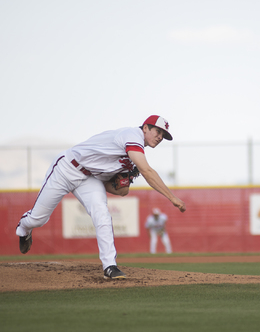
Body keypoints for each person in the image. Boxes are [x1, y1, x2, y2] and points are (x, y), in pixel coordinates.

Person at [15, 115, 186, 279]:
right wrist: (173, 198)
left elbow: (121, 192)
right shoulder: (132, 135)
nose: (159, 137)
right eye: (158, 131)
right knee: (38, 219)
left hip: (89, 178)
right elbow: (147, 171)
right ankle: (24, 228)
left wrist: (121, 185)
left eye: (163, 135)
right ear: (146, 128)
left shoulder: (132, 159)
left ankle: (109, 266)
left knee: (102, 214)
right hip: (67, 168)